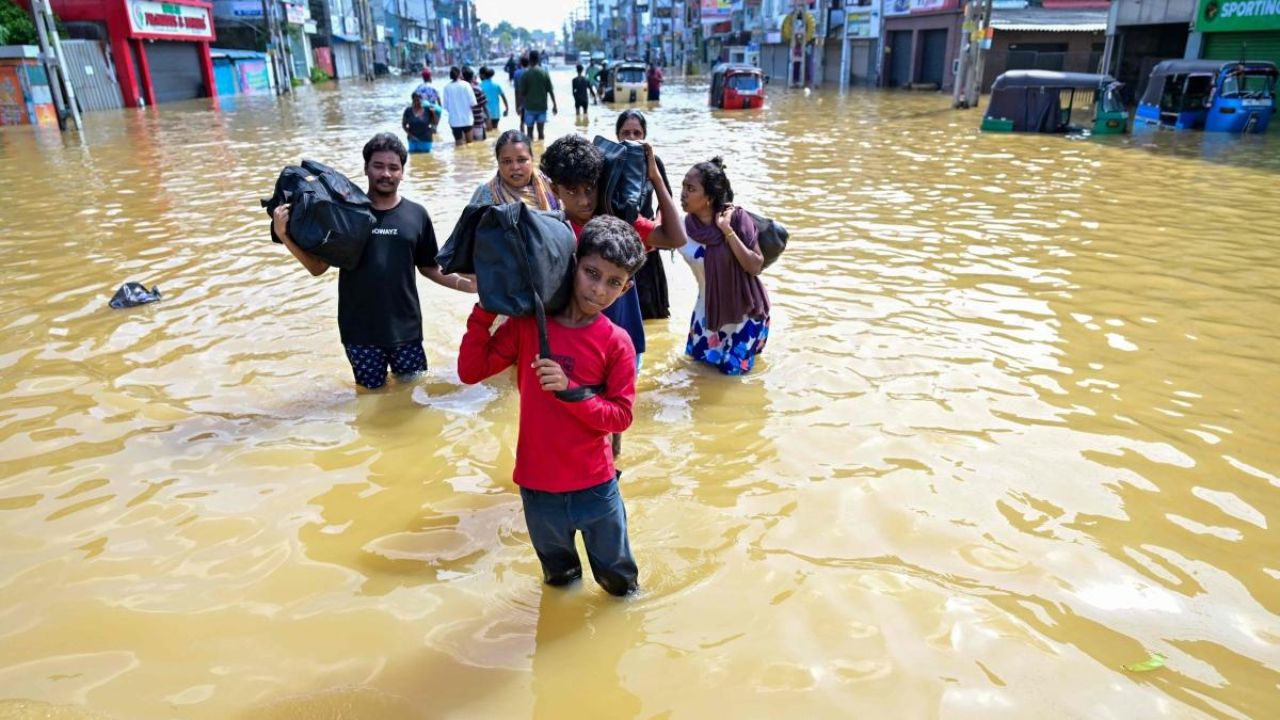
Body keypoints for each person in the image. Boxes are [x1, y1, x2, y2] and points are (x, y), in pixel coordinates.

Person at [458, 216, 646, 597]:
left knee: (620, 587)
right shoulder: (530, 326)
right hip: (538, 489)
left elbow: (621, 416)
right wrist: (485, 308)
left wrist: (571, 390)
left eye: (613, 282)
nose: (598, 289)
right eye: (592, 273)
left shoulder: (617, 342)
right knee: (559, 583)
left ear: (626, 289)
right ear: (573, 264)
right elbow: (470, 371)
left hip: (596, 488)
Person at [271, 133, 476, 389]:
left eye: (393, 167)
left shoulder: (416, 214)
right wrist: (284, 235)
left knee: (413, 398)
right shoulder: (345, 214)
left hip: (406, 331)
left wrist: (466, 284)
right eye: (378, 166)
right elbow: (318, 268)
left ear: (402, 172)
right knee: (370, 398)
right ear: (366, 168)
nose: (386, 174)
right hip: (360, 334)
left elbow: (429, 267)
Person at [540, 134, 686, 456]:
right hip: (577, 345)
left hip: (622, 339)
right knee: (578, 424)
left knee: (615, 424)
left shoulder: (617, 226)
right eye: (572, 192)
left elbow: (675, 237)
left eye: (589, 188)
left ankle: (613, 469)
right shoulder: (552, 233)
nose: (583, 200)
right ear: (555, 190)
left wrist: (655, 178)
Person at [678, 157, 770, 375]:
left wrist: (727, 231)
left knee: (731, 382)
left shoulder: (737, 218)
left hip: (745, 315)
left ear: (708, 197)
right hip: (706, 314)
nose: (683, 193)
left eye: (690, 189)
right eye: (683, 186)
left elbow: (755, 265)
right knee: (697, 377)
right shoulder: (682, 228)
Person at [616, 109, 671, 319]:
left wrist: (656, 229)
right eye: (626, 133)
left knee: (651, 315)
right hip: (618, 246)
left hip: (648, 246)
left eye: (637, 133)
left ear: (644, 136)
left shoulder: (653, 162)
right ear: (617, 135)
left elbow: (665, 202)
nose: (631, 138)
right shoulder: (610, 161)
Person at [467, 130, 560, 211]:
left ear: (532, 160)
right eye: (507, 161)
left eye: (521, 160)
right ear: (498, 163)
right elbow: (468, 228)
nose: (515, 167)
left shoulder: (551, 187)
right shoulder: (485, 194)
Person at [518, 50, 558, 140]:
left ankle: (531, 153)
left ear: (529, 59)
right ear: (538, 59)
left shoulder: (526, 74)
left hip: (529, 108)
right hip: (542, 108)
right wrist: (555, 105)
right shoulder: (544, 73)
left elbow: (522, 93)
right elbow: (550, 91)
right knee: (541, 133)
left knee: (529, 134)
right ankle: (541, 150)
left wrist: (520, 106)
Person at [442, 66, 477, 146]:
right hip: (467, 120)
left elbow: (446, 106)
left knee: (459, 145)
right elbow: (473, 103)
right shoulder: (466, 85)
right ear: (459, 74)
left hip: (454, 121)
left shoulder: (446, 87)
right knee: (470, 144)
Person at [462, 66, 489, 141]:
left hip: (465, 123)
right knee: (482, 146)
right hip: (478, 122)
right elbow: (484, 106)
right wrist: (488, 119)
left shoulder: (461, 91)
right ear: (473, 77)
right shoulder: (478, 89)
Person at [479, 66, 508, 133]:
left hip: (485, 114)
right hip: (496, 113)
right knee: (495, 131)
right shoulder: (497, 85)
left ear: (483, 75)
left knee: (488, 133)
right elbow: (504, 98)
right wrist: (507, 108)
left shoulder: (480, 86)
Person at [513, 56, 529, 134]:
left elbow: (516, 90)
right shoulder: (530, 72)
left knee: (521, 121)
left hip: (521, 99)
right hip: (531, 100)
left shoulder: (517, 73)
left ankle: (522, 136)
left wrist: (517, 105)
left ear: (520, 63)